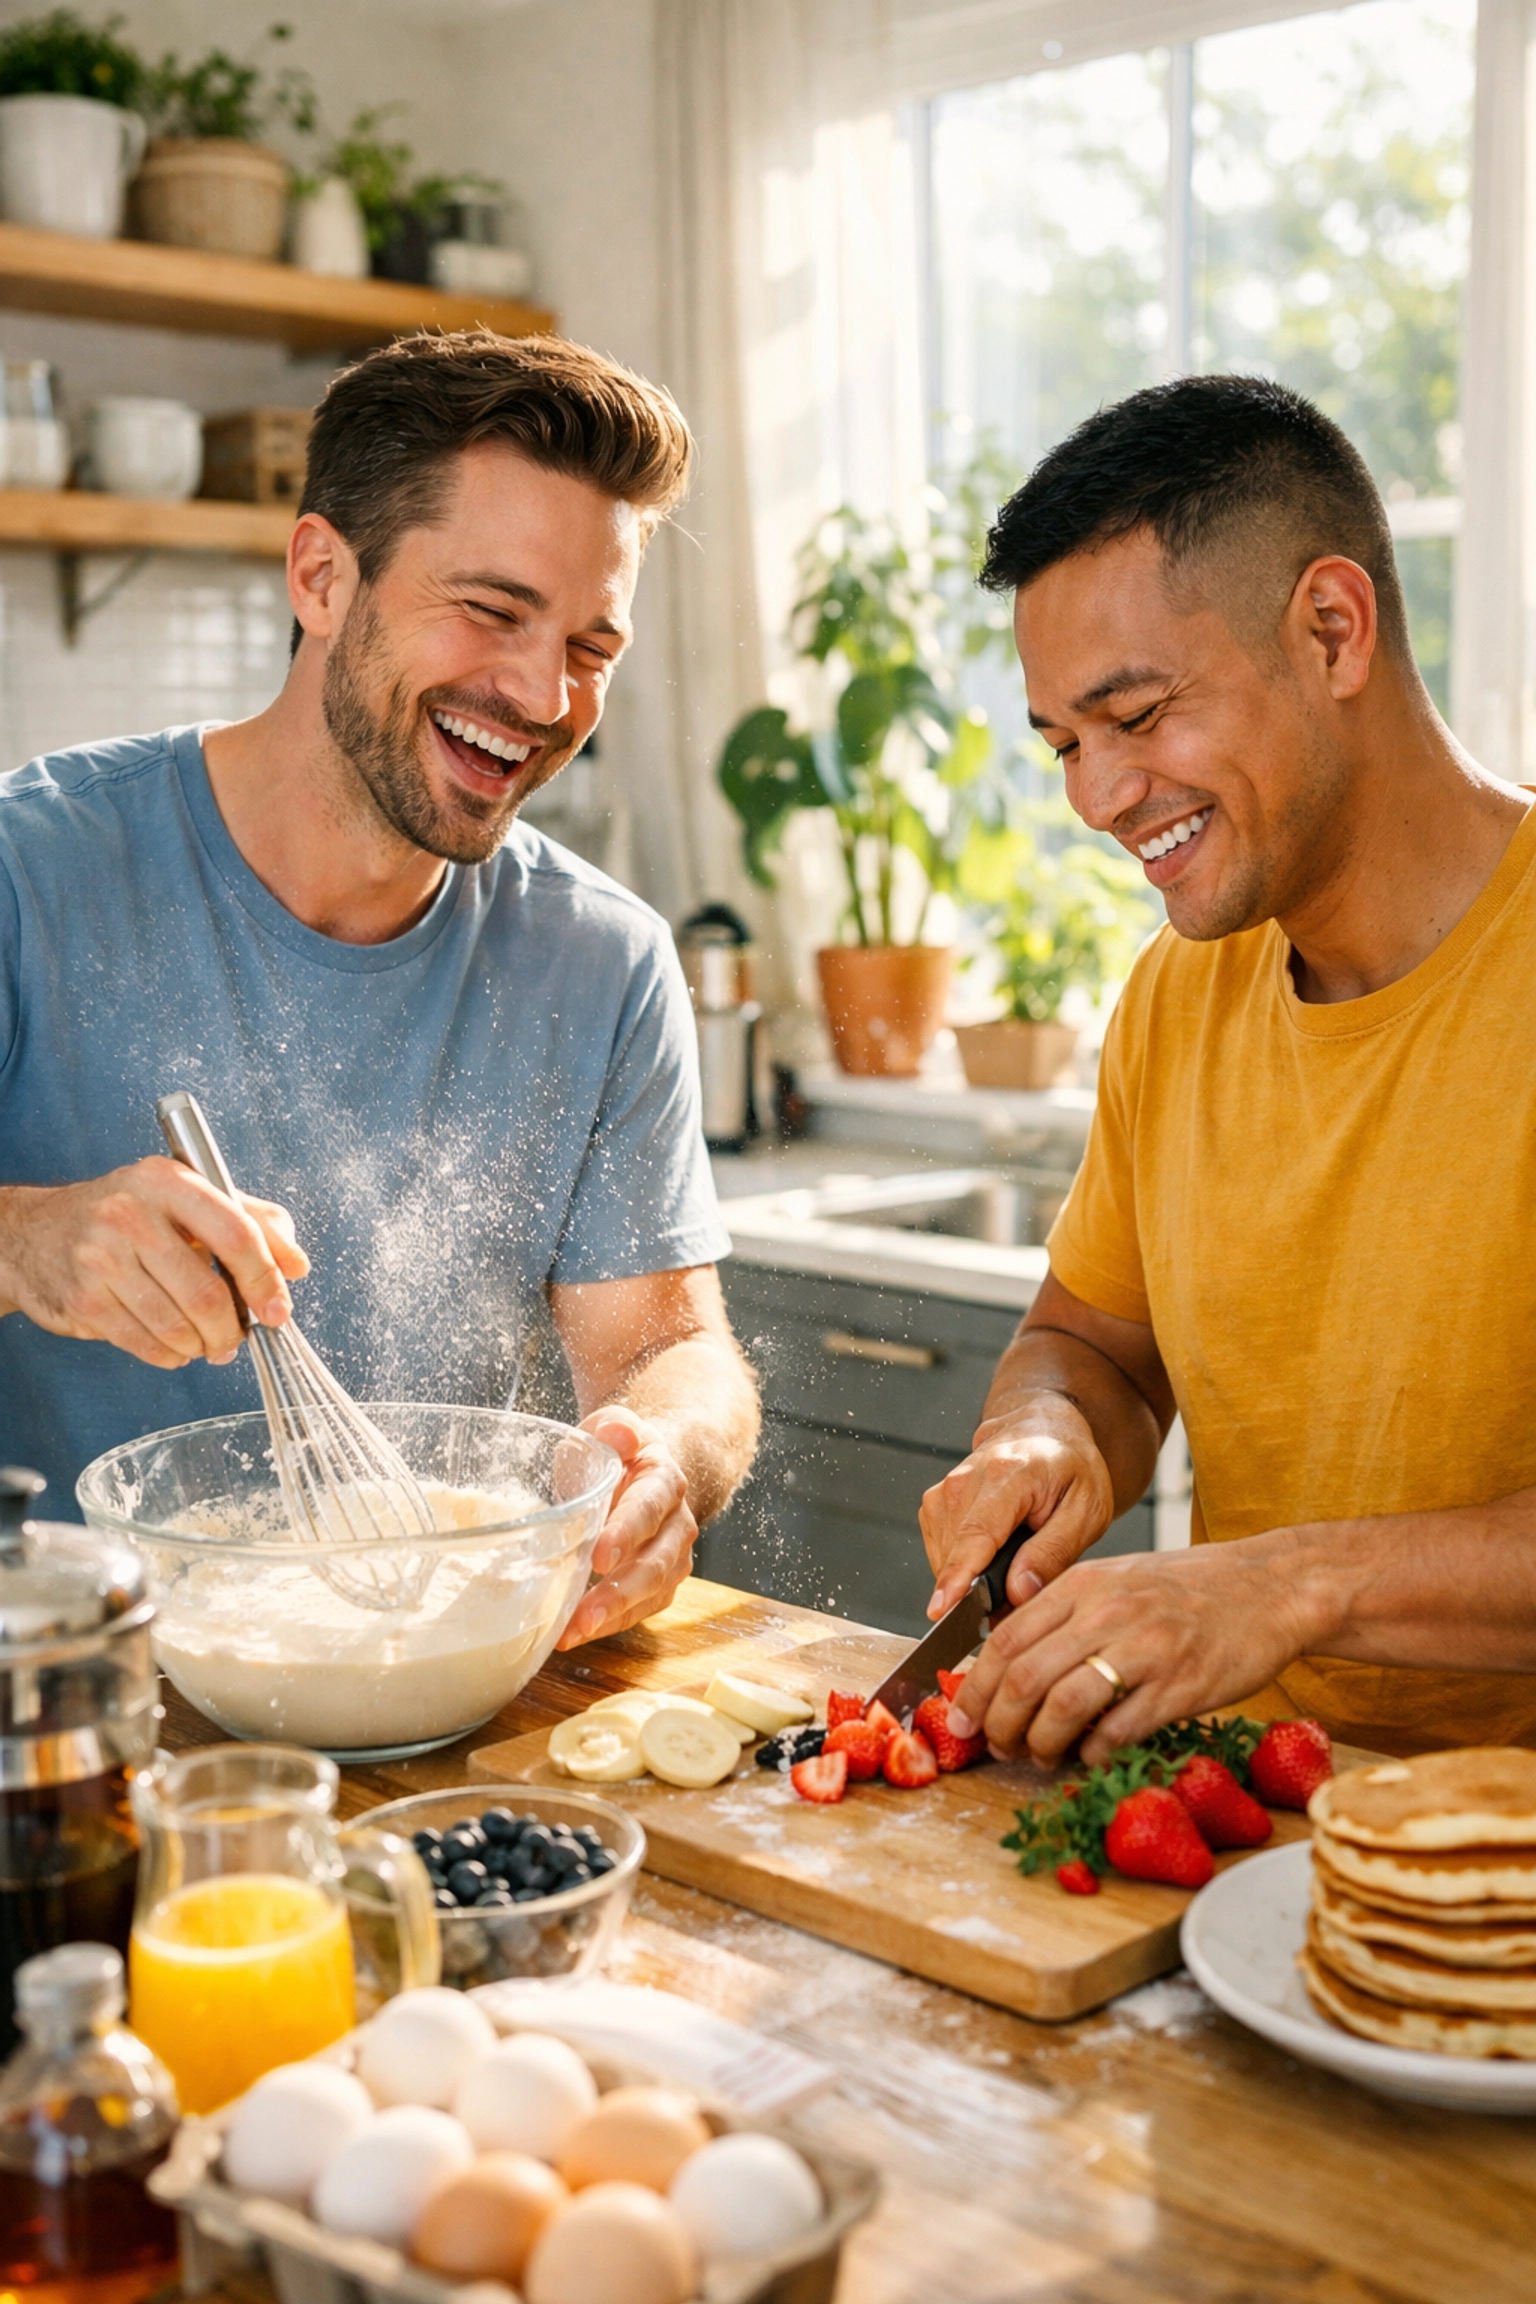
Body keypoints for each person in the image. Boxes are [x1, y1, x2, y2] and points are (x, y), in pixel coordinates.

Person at [0, 328, 759, 1649]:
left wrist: (667, 1458)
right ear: (322, 577)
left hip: (433, 1674)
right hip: (68, 1701)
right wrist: (31, 1243)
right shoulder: (31, 870)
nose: (542, 693)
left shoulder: (604, 964)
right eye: (492, 609)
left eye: (592, 642)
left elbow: (663, 1353)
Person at [921, 373, 1536, 1765]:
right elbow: (1091, 1347)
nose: (1096, 796)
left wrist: (1287, 1582)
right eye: (1066, 743)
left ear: (1332, 630)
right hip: (1248, 1842)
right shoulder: (1177, 998)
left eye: (1135, 716)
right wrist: (1042, 1433)